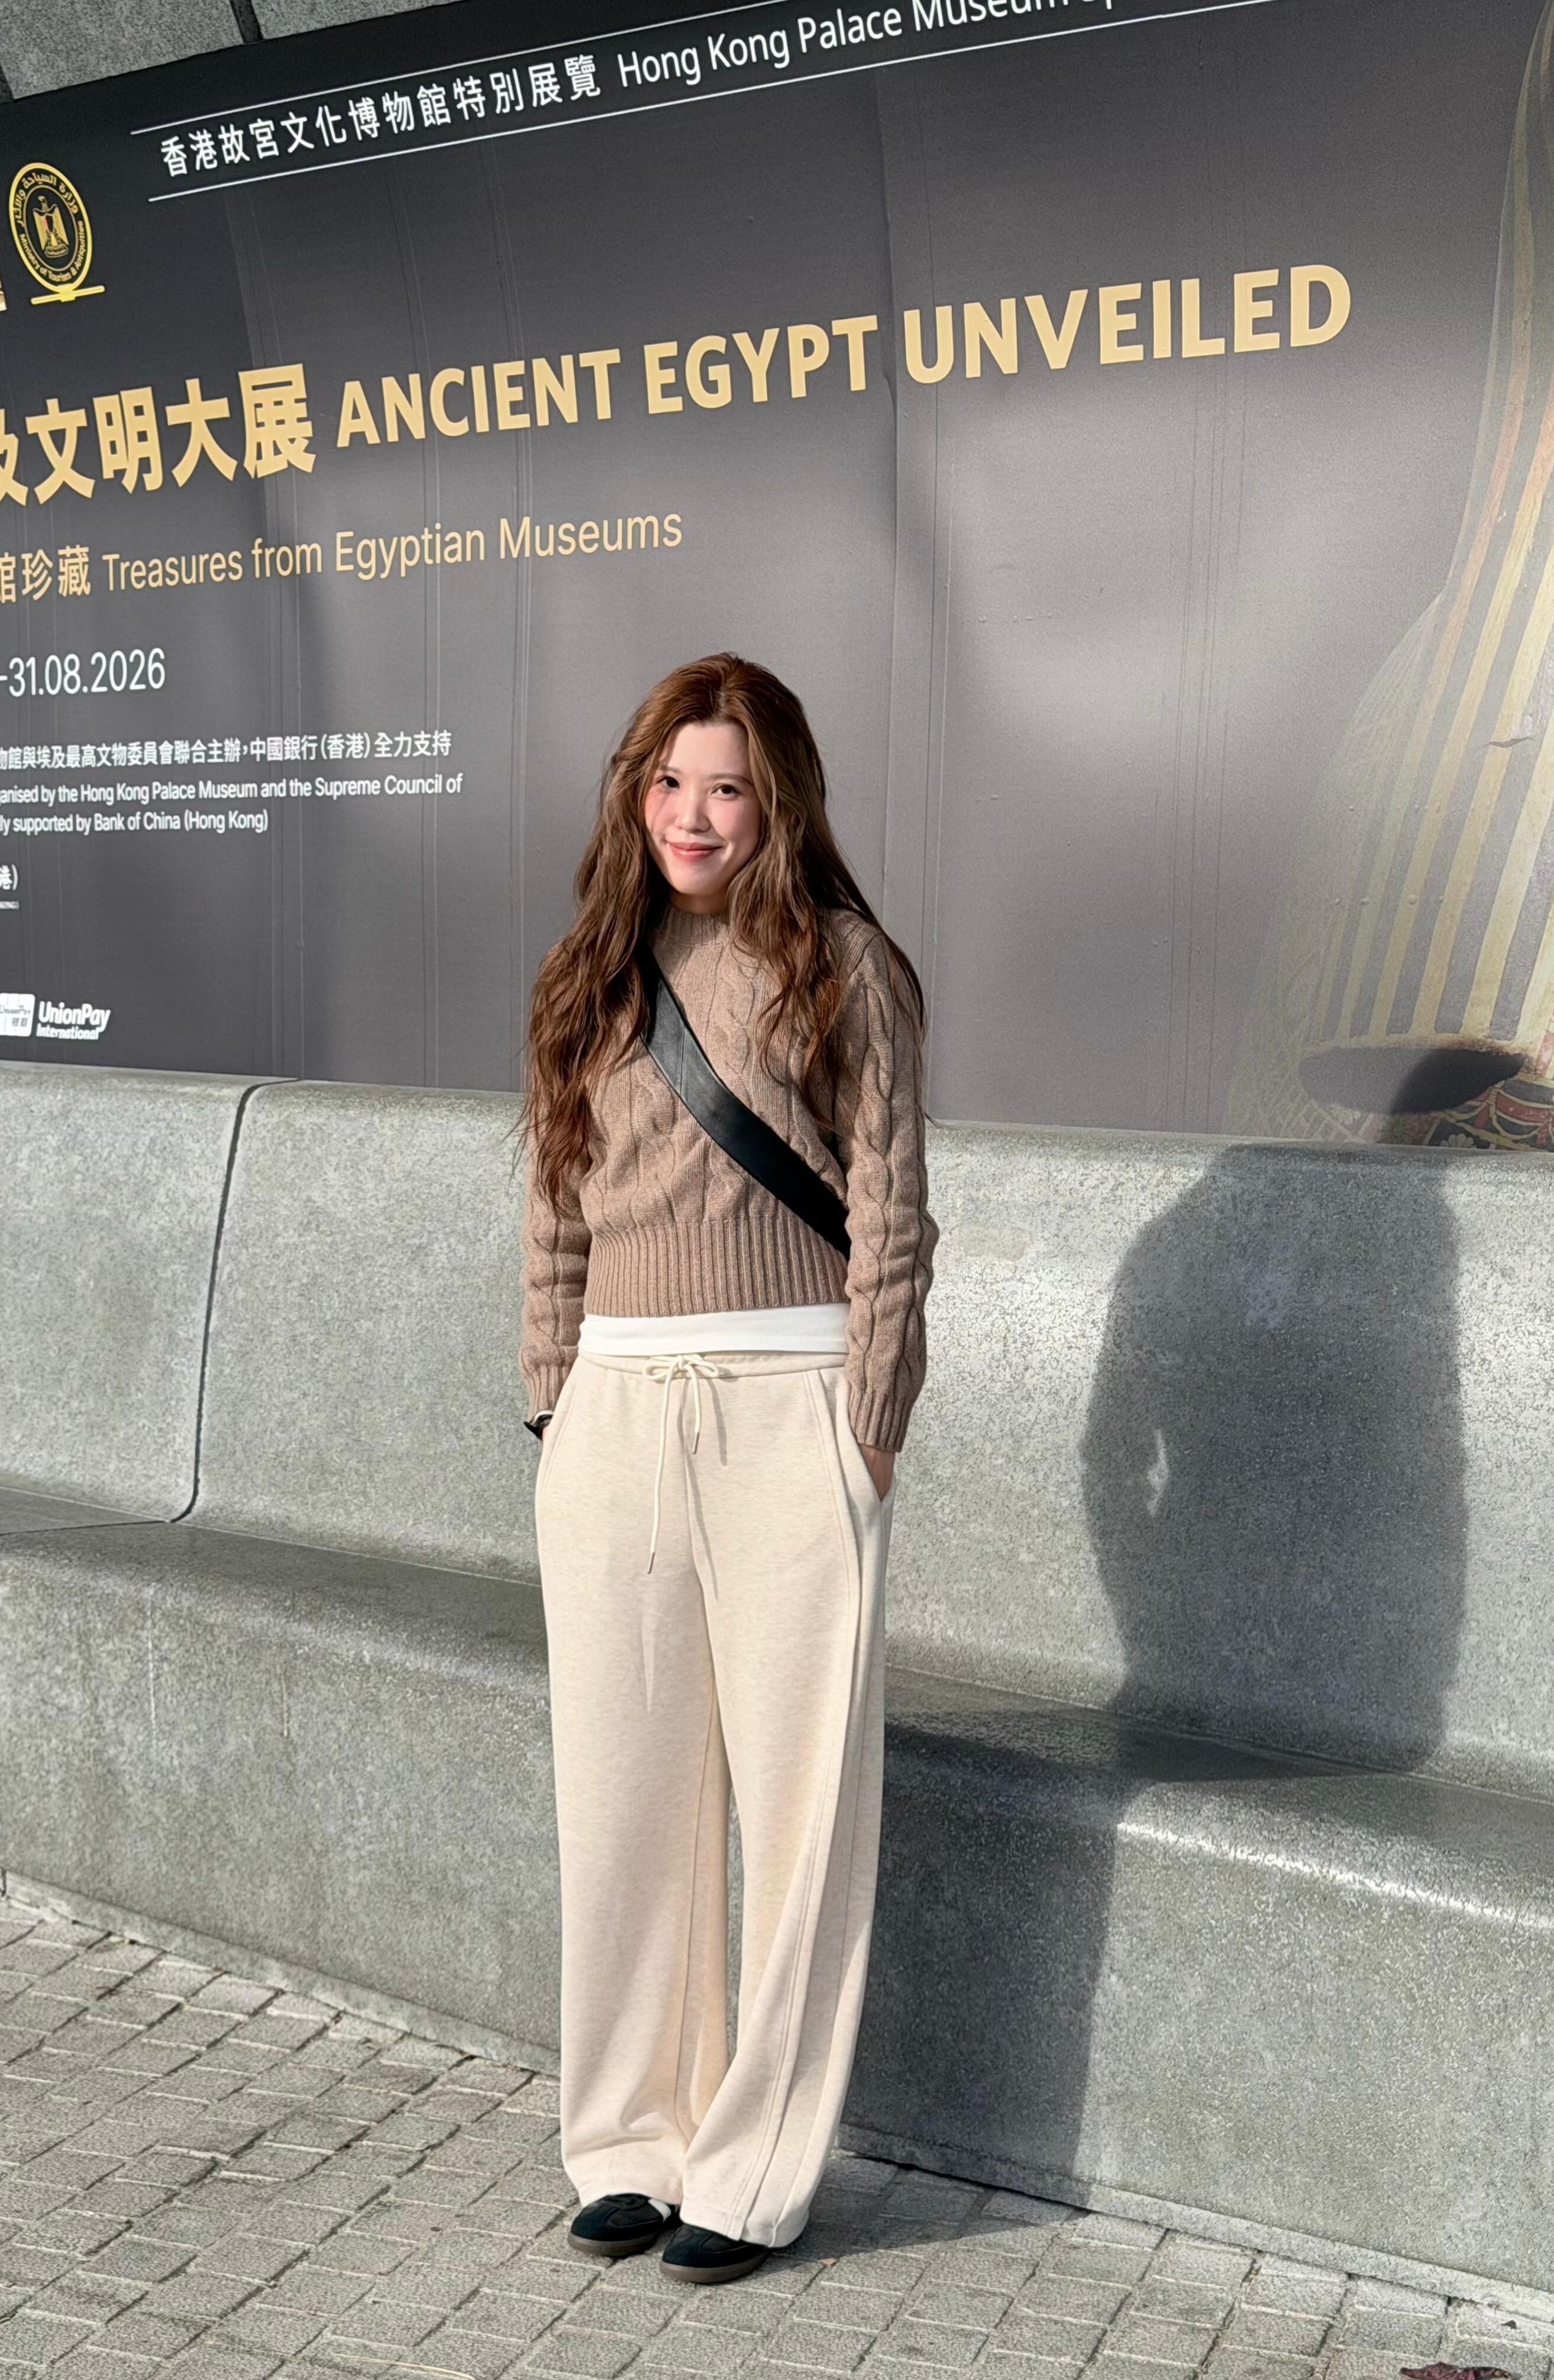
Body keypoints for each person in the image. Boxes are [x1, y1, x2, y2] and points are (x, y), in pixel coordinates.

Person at [517, 653, 940, 2285]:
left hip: (789, 1407)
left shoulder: (846, 966)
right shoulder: (588, 970)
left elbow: (891, 1209)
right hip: (615, 1415)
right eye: (670, 782)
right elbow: (554, 1214)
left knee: (802, 1811)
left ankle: (755, 2168)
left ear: (781, 805)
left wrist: (870, 1419)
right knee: (622, 1806)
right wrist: (556, 1403)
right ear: (637, 793)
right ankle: (630, 2139)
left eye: (730, 788)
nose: (693, 816)